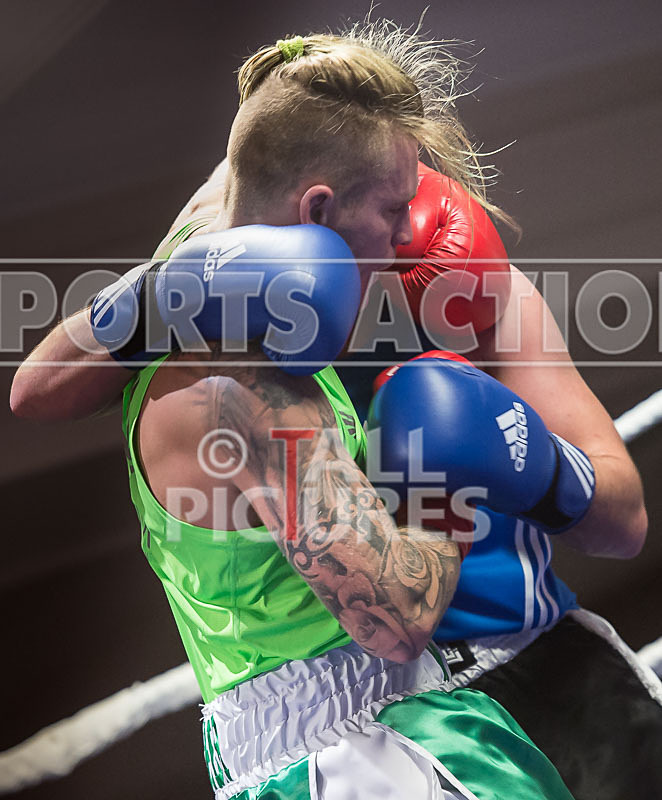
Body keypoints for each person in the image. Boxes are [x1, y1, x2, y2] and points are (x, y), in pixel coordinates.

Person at [10, 23, 578, 800]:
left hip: (274, 754)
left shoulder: (206, 240)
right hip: (366, 757)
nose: (407, 235)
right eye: (392, 209)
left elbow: (34, 388)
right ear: (316, 209)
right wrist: (442, 476)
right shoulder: (254, 385)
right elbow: (394, 617)